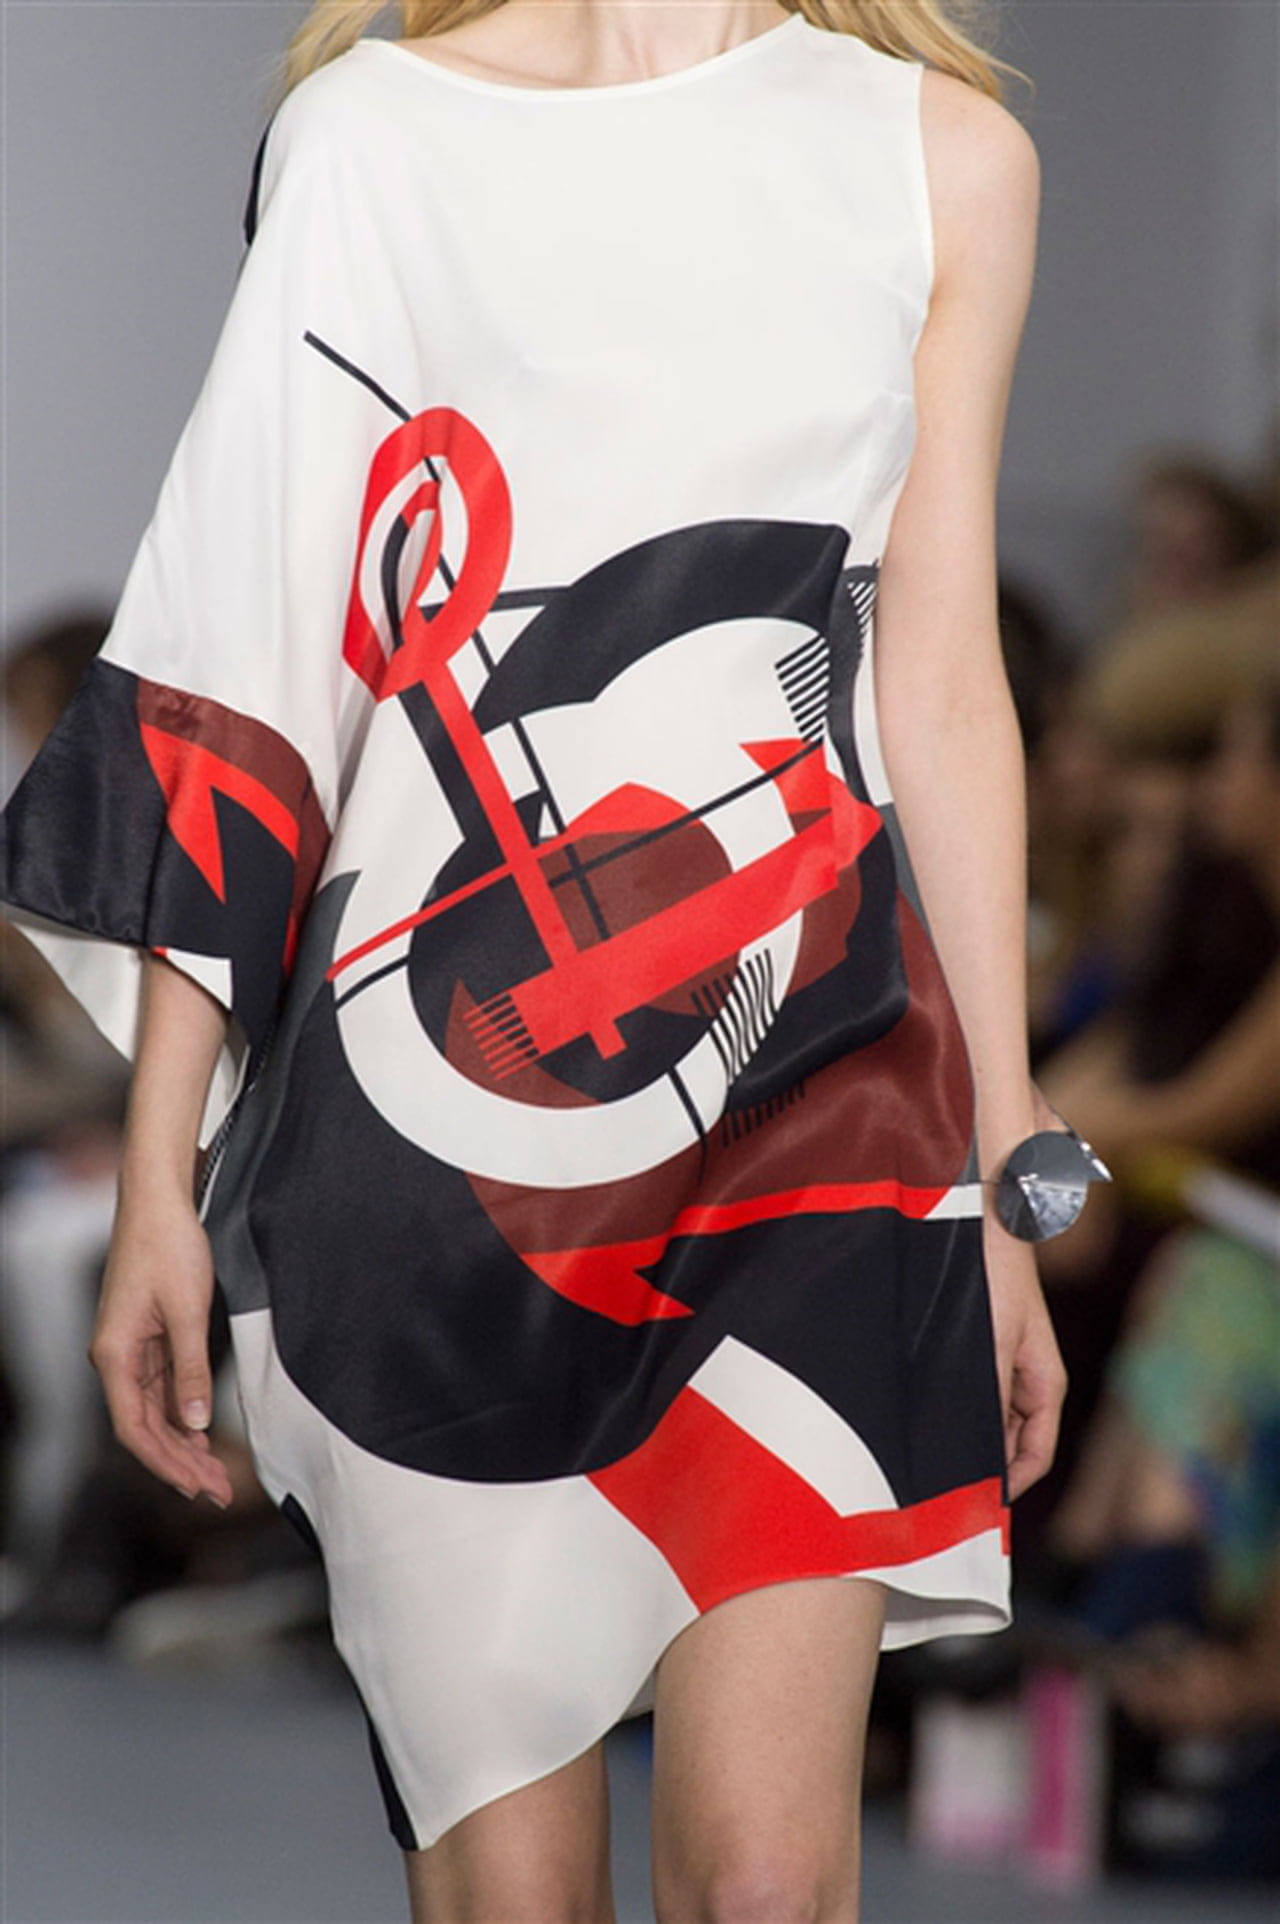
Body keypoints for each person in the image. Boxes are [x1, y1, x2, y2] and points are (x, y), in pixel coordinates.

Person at [0, 4, 1071, 1919]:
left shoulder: (943, 156)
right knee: (517, 1898)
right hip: (429, 1139)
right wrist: (163, 1161)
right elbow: (253, 647)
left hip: (822, 1080)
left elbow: (939, 672)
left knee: (769, 1887)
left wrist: (1008, 1159)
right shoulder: (372, 136)